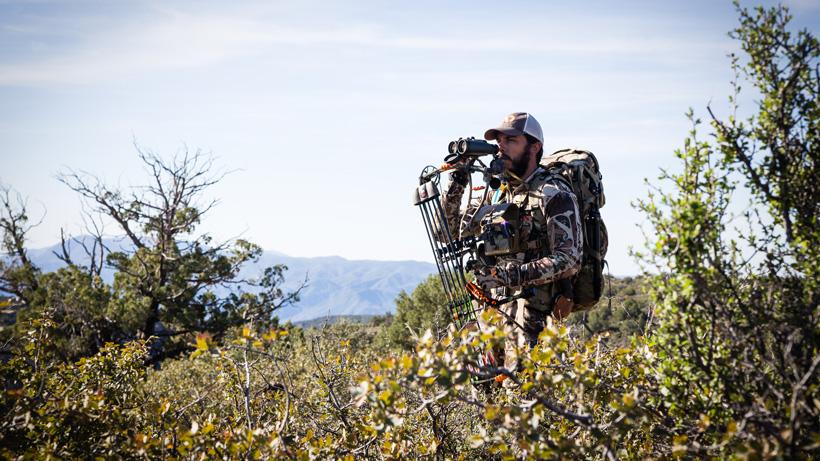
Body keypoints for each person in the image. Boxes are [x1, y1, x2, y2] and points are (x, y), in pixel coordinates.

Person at [440, 112, 583, 372]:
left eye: (511, 141)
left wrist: (509, 276)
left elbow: (569, 259)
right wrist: (458, 180)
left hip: (532, 320)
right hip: (490, 317)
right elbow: (447, 233)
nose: (501, 147)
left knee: (521, 391)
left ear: (534, 147)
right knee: (485, 390)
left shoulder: (554, 194)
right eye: (499, 141)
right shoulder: (495, 194)